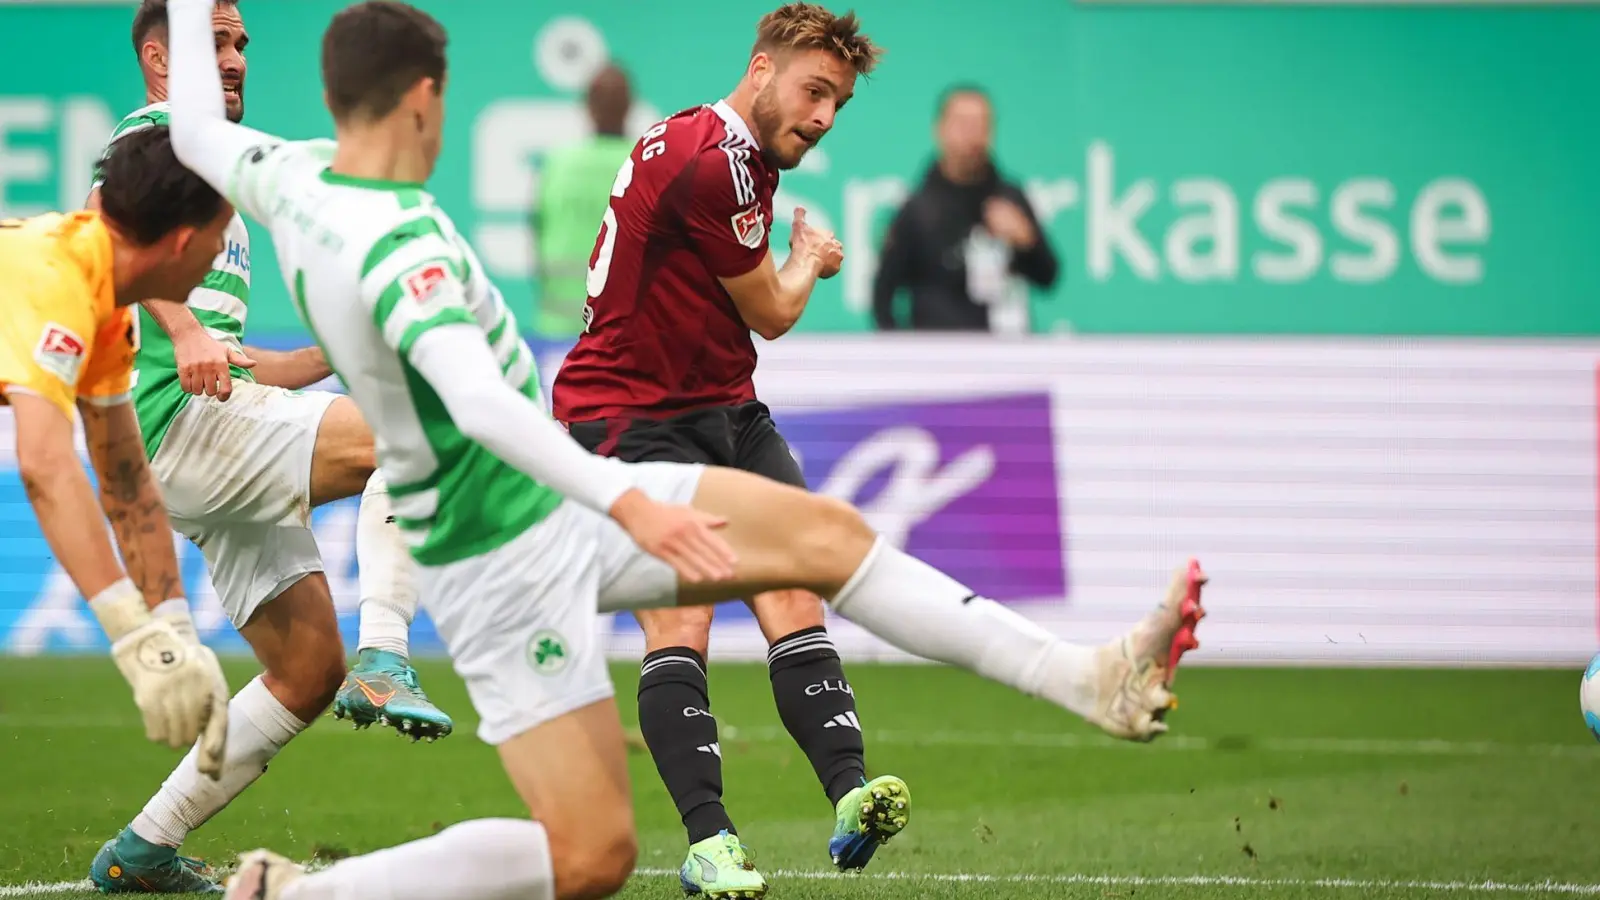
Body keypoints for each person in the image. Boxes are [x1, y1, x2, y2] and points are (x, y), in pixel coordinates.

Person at [161, 4, 1206, 900]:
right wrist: (626, 504)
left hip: (489, 544)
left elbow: (198, 127)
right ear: (427, 98)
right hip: (527, 533)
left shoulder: (286, 184)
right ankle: (1086, 678)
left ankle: (296, 890)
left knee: (595, 855)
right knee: (817, 550)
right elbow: (481, 405)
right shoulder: (406, 247)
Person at [87, 1, 453, 893]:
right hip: (178, 425)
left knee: (302, 669)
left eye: (242, 41)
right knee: (412, 433)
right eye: (214, 41)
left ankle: (141, 850)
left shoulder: (209, 168)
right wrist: (178, 330)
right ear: (159, 60)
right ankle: (390, 650)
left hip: (205, 425)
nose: (237, 56)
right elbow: (100, 234)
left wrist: (327, 354)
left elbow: (243, 363)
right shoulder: (163, 134)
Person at [551, 5, 894, 890]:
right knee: (680, 617)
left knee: (798, 581)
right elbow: (773, 314)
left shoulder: (723, 148)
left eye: (838, 104)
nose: (823, 117)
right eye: (815, 91)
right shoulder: (716, 164)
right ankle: (709, 842)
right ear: (761, 67)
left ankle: (854, 793)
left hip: (721, 406)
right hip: (632, 417)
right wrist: (810, 257)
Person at [0, 126, 233, 786]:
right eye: (220, 239)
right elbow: (45, 465)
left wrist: (177, 636)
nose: (219, 258)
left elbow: (126, 482)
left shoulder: (108, 305)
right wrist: (135, 639)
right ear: (186, 242)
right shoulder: (58, 282)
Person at [872, 85, 1059, 334]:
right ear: (940, 129)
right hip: (937, 355)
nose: (972, 133)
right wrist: (904, 356)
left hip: (1003, 352)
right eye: (962, 123)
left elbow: (1049, 277)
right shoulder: (917, 209)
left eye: (982, 123)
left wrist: (1027, 240)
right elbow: (883, 294)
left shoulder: (1010, 198)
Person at [533, 64, 636, 337]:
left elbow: (536, 236)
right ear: (629, 107)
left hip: (558, 330)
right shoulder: (645, 163)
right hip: (623, 333)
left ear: (588, 107)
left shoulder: (557, 164)